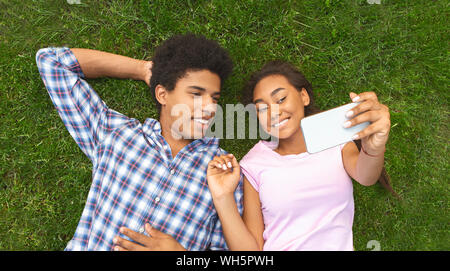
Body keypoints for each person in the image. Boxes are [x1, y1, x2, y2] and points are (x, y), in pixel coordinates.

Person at [35, 34, 243, 251]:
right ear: (162, 95)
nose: (210, 107)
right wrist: (144, 70)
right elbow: (52, 62)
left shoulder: (225, 173)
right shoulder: (116, 134)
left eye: (215, 98)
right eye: (196, 94)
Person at [206, 60, 393, 250]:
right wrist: (223, 197)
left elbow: (366, 176)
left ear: (303, 96)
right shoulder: (253, 163)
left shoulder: (332, 137)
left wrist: (374, 149)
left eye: (280, 99)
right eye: (262, 108)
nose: (274, 112)